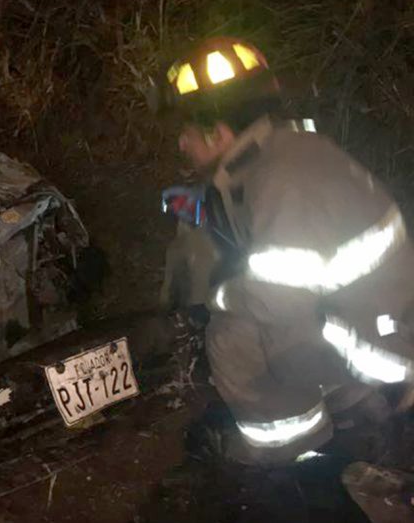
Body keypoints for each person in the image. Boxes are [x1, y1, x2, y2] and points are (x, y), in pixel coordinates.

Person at [155, 36, 414, 466]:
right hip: (377, 320)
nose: (181, 145)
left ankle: (296, 452)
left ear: (217, 133)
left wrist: (220, 296)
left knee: (232, 335)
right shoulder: (289, 153)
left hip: (381, 351)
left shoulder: (277, 181)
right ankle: (354, 410)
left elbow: (277, 301)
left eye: (185, 134)